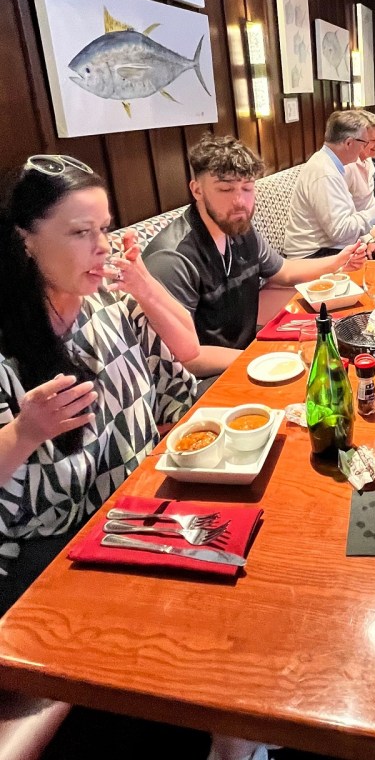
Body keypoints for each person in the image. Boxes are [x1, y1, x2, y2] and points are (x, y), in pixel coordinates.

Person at [0, 154, 199, 614]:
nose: (102, 246)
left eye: (104, 229)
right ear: (25, 240)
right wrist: (25, 431)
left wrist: (145, 287)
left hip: (134, 512)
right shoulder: (8, 347)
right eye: (80, 232)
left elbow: (181, 378)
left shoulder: (110, 303)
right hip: (48, 548)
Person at [143, 133, 367, 380]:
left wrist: (339, 261)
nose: (239, 201)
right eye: (226, 189)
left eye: (247, 188)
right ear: (197, 190)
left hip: (243, 353)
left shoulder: (239, 228)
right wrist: (261, 356)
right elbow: (184, 356)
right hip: (201, 380)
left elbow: (284, 271)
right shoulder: (173, 258)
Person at [284, 111, 375, 260]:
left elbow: (349, 219)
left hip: (331, 248)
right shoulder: (325, 172)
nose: (363, 150)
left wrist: (368, 240)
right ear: (348, 143)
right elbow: (340, 232)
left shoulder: (330, 164)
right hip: (313, 255)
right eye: (364, 143)